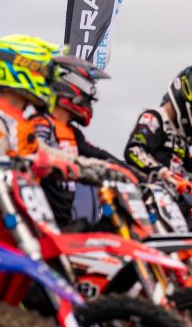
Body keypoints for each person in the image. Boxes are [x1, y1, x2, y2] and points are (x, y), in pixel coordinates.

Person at [0, 35, 73, 221]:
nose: (49, 80)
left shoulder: (19, 121)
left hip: (24, 221)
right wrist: (37, 163)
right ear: (23, 71)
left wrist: (93, 167)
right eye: (44, 72)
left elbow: (49, 153)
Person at [32, 54, 124, 226]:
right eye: (86, 99)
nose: (88, 105)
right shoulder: (41, 124)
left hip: (66, 215)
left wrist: (129, 171)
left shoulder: (72, 132)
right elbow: (39, 152)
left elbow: (97, 154)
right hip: (43, 217)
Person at [124, 66, 192, 185]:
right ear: (185, 99)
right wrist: (164, 173)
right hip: (146, 188)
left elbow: (189, 162)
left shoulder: (178, 131)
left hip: (172, 191)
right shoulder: (153, 118)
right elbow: (134, 151)